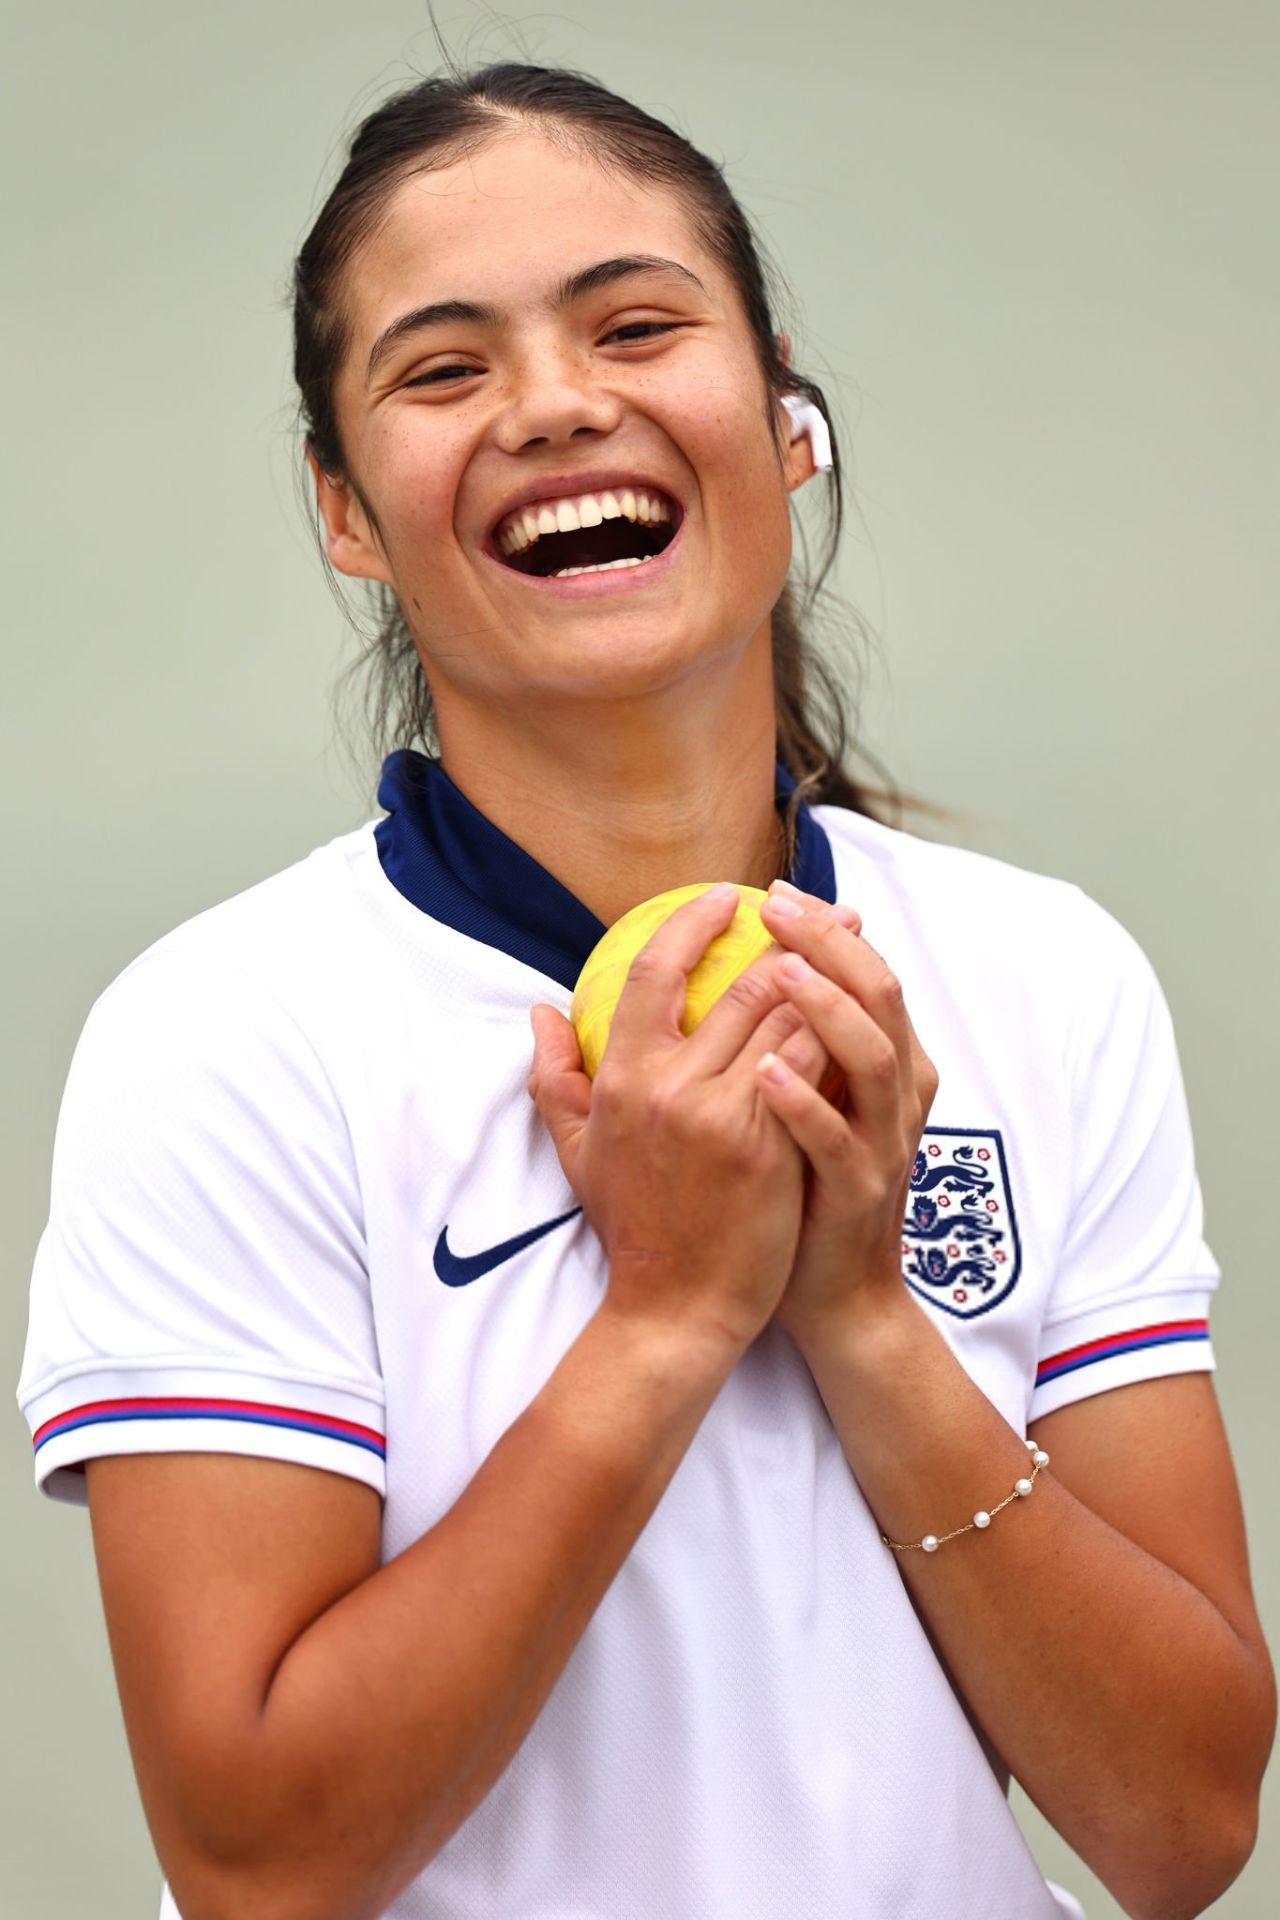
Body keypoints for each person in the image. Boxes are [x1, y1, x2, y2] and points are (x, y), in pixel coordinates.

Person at [16, 60, 1274, 1920]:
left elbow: (1182, 1827)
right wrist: (669, 1319)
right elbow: (260, 1868)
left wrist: (858, 1314)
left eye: (637, 325)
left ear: (785, 428)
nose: (557, 403)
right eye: (442, 371)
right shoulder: (222, 1039)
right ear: (347, 510)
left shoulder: (1043, 976)